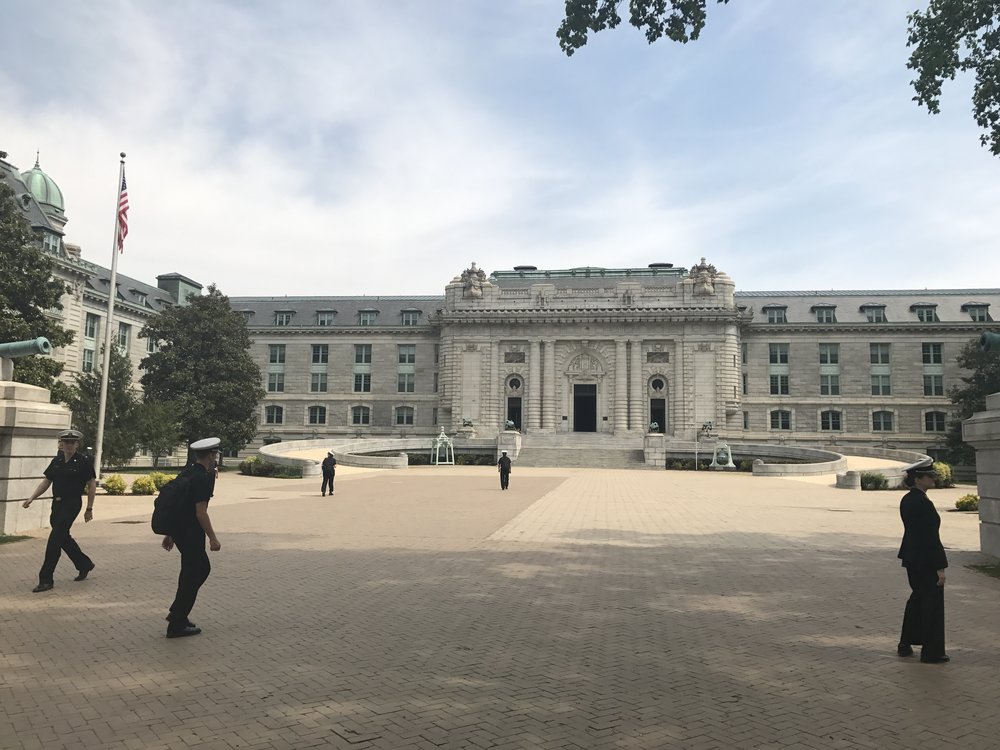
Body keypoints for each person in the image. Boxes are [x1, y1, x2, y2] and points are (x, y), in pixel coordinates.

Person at [161, 437, 222, 638]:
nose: (216, 459)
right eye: (215, 455)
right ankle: (177, 620)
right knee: (199, 569)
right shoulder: (202, 478)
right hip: (190, 532)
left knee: (190, 571)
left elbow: (177, 505)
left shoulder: (187, 472)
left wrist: (170, 533)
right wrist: (213, 537)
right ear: (211, 455)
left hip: (179, 530)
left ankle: (178, 614)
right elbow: (200, 512)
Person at [22, 429, 97, 593]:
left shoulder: (83, 462)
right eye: (66, 442)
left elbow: (92, 484)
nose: (69, 445)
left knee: (54, 540)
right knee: (63, 537)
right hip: (57, 504)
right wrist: (32, 497)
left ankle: (46, 579)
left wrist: (89, 508)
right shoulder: (56, 461)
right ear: (61, 444)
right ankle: (84, 564)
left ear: (77, 444)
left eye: (72, 442)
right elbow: (47, 481)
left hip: (72, 504)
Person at [896, 457, 949, 664]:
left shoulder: (908, 499)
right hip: (926, 560)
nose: (933, 479)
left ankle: (905, 643)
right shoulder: (922, 503)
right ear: (918, 479)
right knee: (931, 605)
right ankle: (932, 651)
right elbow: (930, 538)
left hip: (912, 557)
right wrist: (940, 567)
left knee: (917, 600)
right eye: (929, 476)